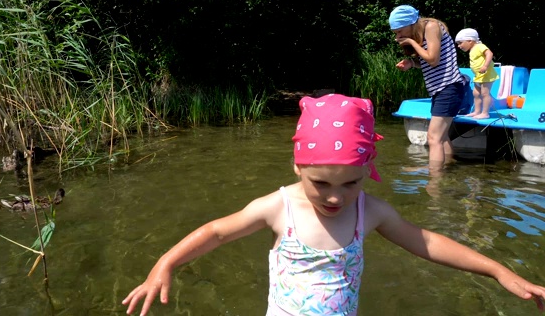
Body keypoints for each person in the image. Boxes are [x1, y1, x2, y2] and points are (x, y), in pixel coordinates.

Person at [122, 94, 545, 316]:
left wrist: (497, 270)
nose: (334, 197)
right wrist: (167, 264)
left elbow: (425, 242)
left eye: (351, 183)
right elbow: (216, 231)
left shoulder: (370, 212)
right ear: (297, 165)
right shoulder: (278, 207)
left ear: (368, 170)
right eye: (320, 182)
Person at [389, 5, 468, 171]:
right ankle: (447, 167)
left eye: (400, 31)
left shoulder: (431, 26)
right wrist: (412, 63)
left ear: (410, 23)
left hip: (449, 87)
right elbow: (428, 63)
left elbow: (433, 59)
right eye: (396, 33)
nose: (398, 36)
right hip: (441, 90)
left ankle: (434, 180)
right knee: (442, 136)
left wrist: (411, 42)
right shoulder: (422, 33)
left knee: (434, 138)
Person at [455, 28, 499, 119]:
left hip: (486, 74)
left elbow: (489, 54)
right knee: (476, 94)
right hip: (478, 76)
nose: (459, 46)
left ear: (470, 40)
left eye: (460, 43)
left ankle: (485, 113)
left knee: (485, 94)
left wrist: (485, 66)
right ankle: (476, 111)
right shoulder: (473, 49)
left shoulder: (479, 46)